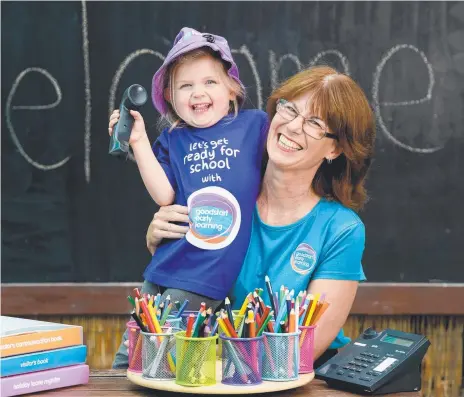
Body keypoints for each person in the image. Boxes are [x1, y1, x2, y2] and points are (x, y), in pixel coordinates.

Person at [145, 65, 376, 367]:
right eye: (290, 109)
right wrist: (162, 247)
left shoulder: (341, 230)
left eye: (315, 123)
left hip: (299, 381)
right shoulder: (220, 203)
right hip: (211, 374)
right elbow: (185, 304)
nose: (293, 127)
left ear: (335, 148)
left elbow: (298, 355)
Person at [109, 28, 268, 369]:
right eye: (185, 86)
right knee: (129, 358)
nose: (198, 93)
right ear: (170, 96)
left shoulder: (255, 126)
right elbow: (164, 194)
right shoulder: (172, 139)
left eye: (209, 82)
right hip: (164, 265)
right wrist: (138, 142)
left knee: (159, 362)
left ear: (232, 88)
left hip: (205, 277)